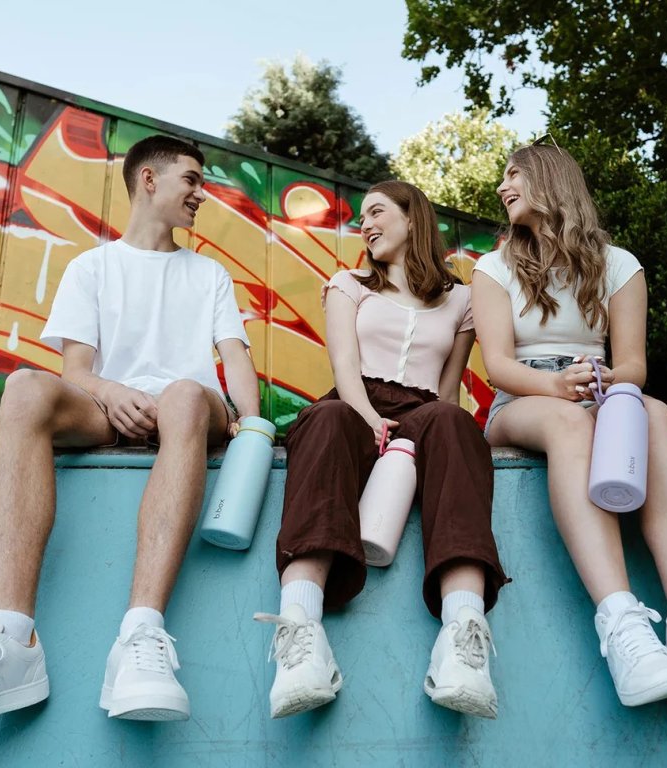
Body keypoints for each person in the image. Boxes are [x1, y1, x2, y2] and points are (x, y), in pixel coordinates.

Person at [0, 135, 261, 727]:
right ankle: (10, 639)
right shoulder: (90, 267)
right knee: (26, 387)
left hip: (191, 412)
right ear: (149, 179)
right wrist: (114, 394)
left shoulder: (209, 273)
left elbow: (234, 356)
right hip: (109, 409)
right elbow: (77, 371)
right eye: (192, 180)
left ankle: (141, 636)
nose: (202, 194)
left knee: (184, 395)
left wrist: (252, 423)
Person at [253, 180, 508, 720]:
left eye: (376, 212)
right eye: (361, 217)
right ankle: (300, 631)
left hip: (424, 412)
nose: (364, 224)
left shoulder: (461, 299)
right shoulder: (347, 285)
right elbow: (344, 366)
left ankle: (463, 635)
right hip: (354, 404)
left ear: (413, 218)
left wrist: (426, 441)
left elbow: (448, 390)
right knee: (325, 420)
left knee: (455, 422)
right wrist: (371, 420)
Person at [471, 139, 667, 707]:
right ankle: (623, 627)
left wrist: (602, 379)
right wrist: (557, 385)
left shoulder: (619, 264)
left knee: (655, 412)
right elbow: (498, 365)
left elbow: (634, 366)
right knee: (568, 423)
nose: (503, 187)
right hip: (523, 399)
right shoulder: (493, 267)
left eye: (514, 175)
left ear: (548, 179)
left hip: (600, 390)